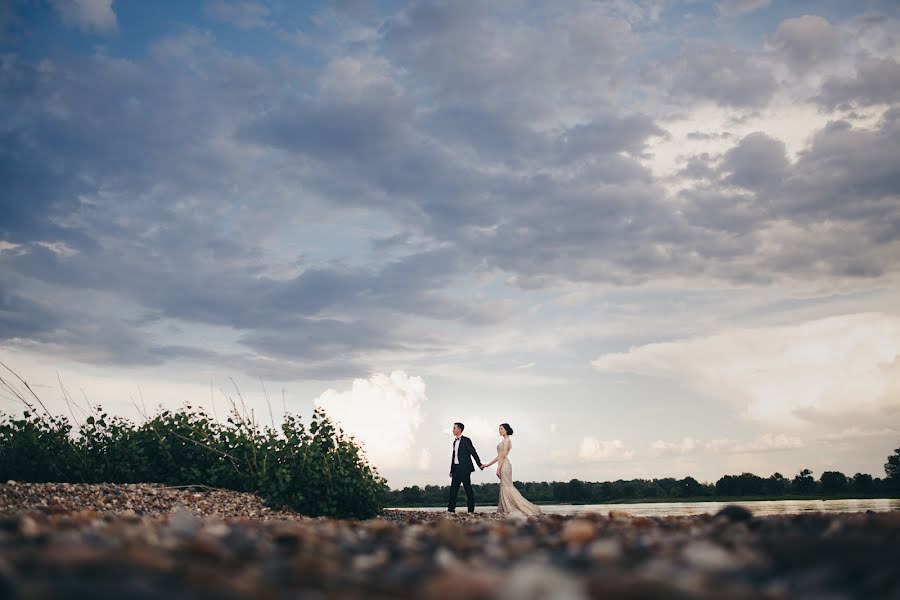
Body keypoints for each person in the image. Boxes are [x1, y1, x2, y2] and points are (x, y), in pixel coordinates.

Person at [481, 423, 542, 517]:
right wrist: (487, 465)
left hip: (504, 465)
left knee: (507, 486)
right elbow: (499, 456)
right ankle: (504, 508)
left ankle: (514, 508)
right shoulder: (504, 440)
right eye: (499, 429)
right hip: (503, 464)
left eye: (501, 429)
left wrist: (498, 468)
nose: (499, 430)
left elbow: (504, 455)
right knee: (504, 486)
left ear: (506, 430)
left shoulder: (507, 440)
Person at [448, 422, 483, 513]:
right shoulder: (454, 441)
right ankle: (451, 510)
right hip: (456, 469)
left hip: (465, 468)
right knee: (453, 490)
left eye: (454, 428)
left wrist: (479, 464)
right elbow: (454, 456)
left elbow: (473, 452)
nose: (453, 430)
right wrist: (451, 470)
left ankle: (471, 511)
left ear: (459, 429)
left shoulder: (466, 440)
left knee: (468, 489)